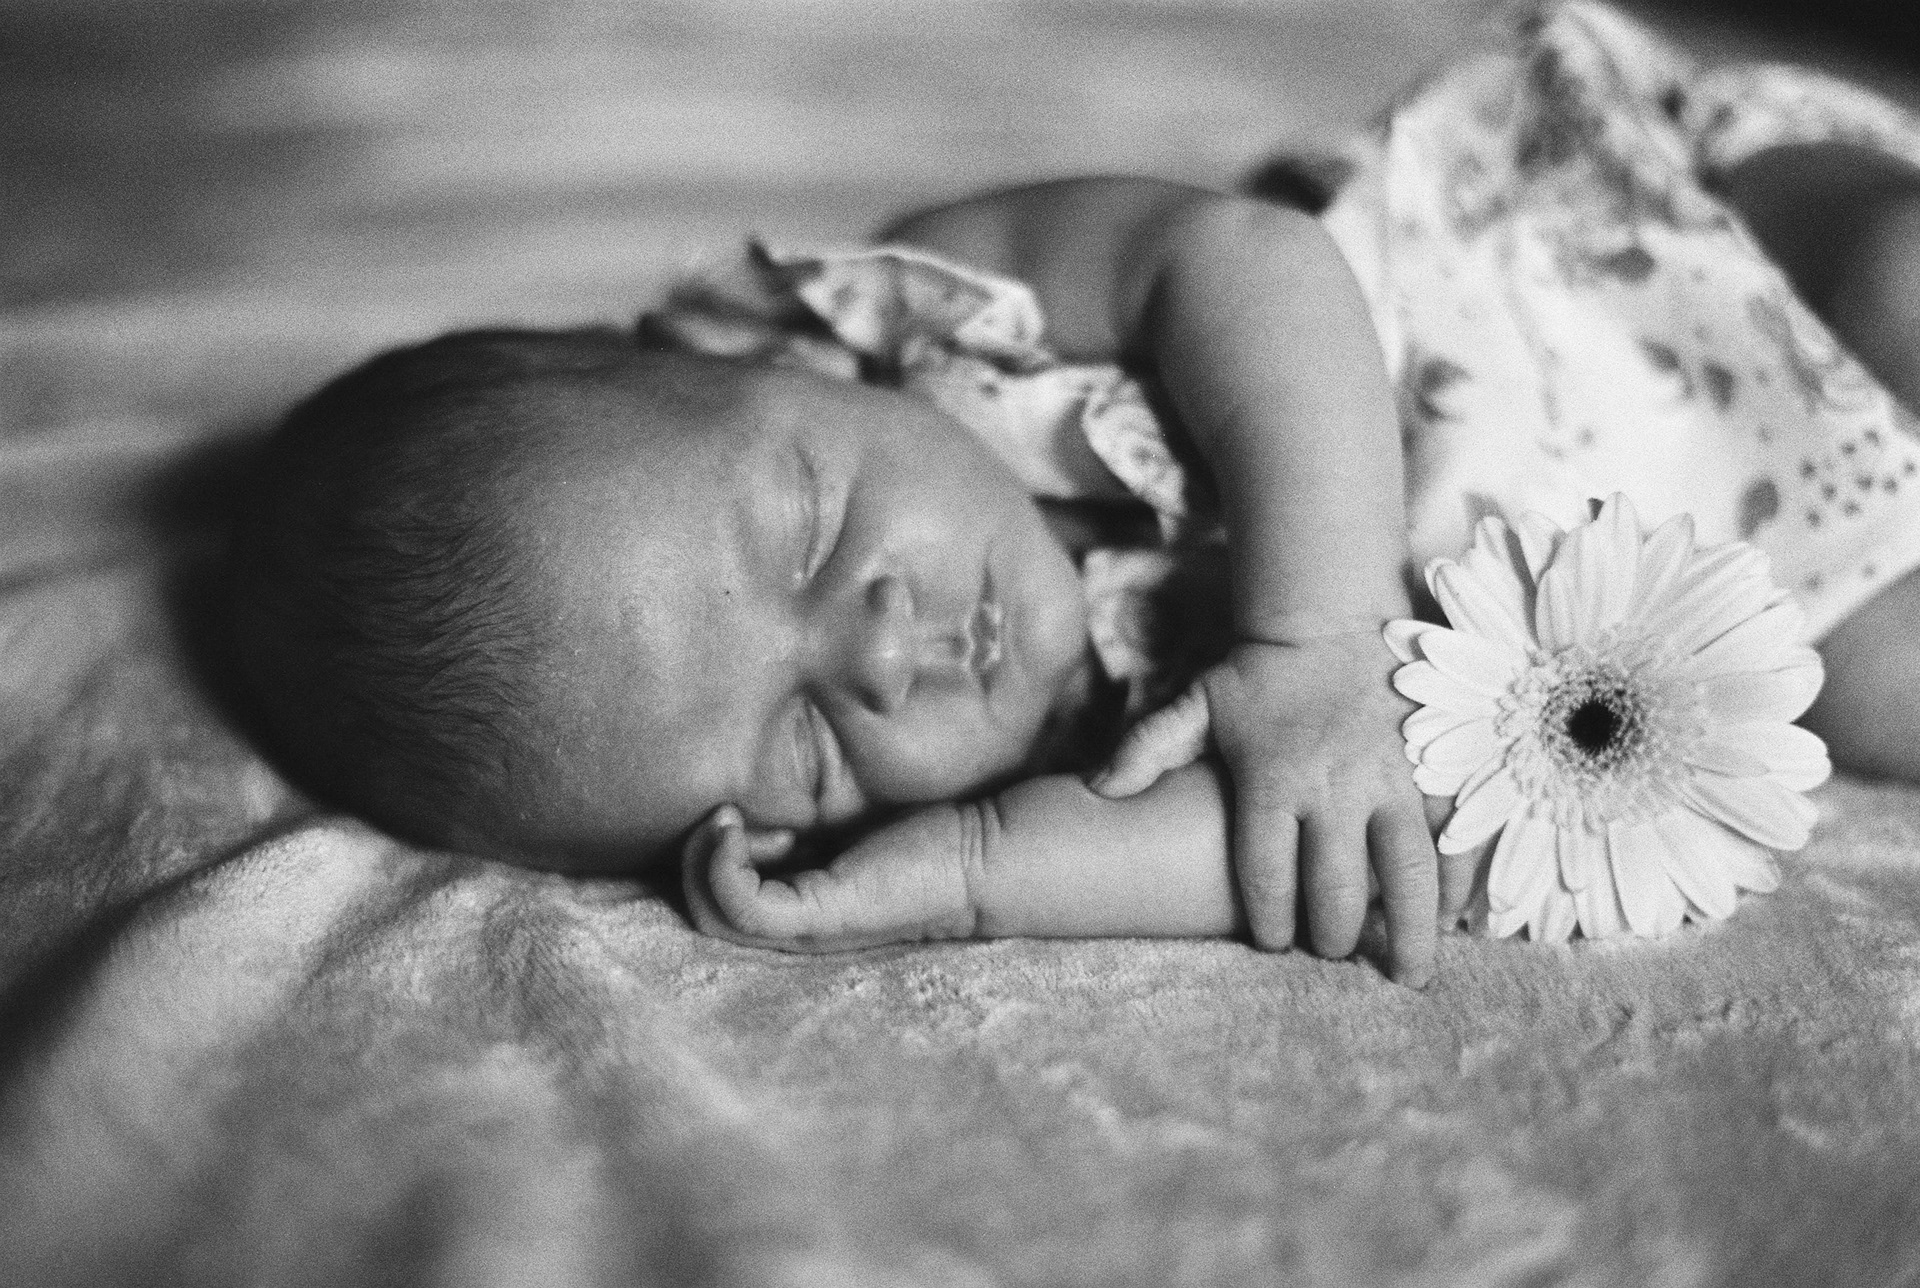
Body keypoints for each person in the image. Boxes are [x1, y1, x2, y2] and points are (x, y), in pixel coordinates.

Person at [228, 2, 1920, 988]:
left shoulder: (944, 312)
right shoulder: (1041, 756)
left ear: (764, 361)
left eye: (810, 525)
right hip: (1672, 567)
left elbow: (1243, 262)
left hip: (1574, 251)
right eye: (806, 748)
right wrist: (967, 874)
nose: (877, 652)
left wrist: (1313, 637)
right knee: (1887, 693)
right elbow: (1287, 850)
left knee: (1897, 274)